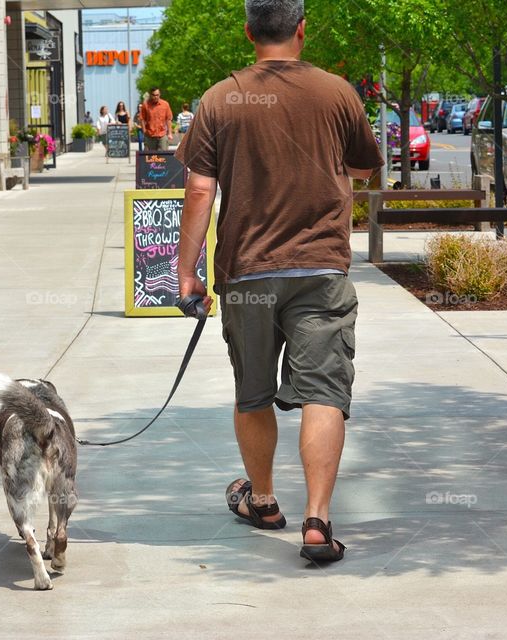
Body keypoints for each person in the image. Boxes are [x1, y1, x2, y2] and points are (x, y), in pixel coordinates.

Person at [175, 0, 383, 563]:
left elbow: (199, 191)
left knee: (253, 392)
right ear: (301, 29)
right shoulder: (337, 93)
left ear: (248, 32)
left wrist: (187, 270)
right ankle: (317, 521)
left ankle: (263, 501)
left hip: (247, 273)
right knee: (324, 393)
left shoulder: (218, 100)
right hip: (319, 269)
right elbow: (366, 166)